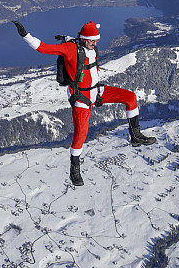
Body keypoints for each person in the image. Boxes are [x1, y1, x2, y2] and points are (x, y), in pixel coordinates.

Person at [12, 20, 155, 187]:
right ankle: (74, 167)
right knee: (81, 134)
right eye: (92, 40)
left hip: (96, 91)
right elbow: (44, 48)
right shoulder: (70, 48)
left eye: (96, 40)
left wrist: (67, 37)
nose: (95, 44)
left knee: (130, 98)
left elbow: (77, 39)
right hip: (80, 97)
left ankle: (135, 135)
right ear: (85, 39)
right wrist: (25, 35)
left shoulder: (84, 44)